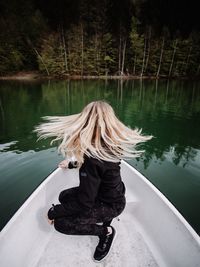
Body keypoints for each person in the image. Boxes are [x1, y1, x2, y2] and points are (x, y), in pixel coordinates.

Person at [35, 101, 152, 262]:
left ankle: (107, 232)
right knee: (64, 196)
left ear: (85, 123)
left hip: (110, 204)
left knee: (61, 224)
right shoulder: (109, 146)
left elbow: (84, 203)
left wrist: (53, 212)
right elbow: (98, 169)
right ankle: (104, 221)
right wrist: (72, 164)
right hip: (114, 194)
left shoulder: (93, 158)